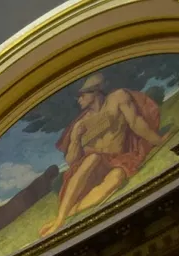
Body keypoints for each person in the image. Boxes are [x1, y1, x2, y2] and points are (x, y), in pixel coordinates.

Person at [39, 71, 166, 237]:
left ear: (95, 92)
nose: (79, 100)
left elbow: (135, 123)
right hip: (91, 171)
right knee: (93, 157)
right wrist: (76, 139)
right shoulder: (80, 124)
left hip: (118, 159)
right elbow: (71, 160)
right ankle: (60, 220)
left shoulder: (117, 98)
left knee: (118, 177)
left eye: (81, 95)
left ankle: (65, 215)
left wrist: (159, 141)